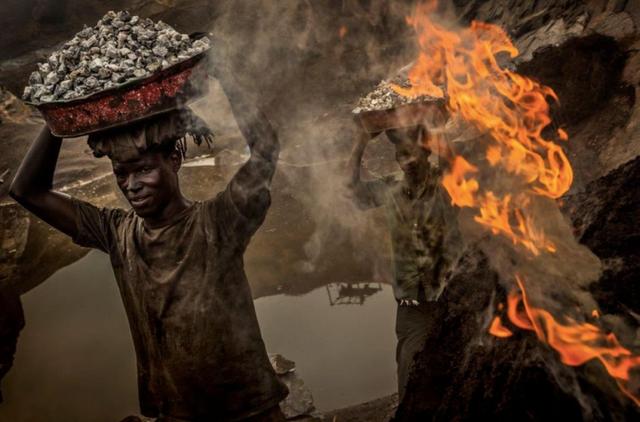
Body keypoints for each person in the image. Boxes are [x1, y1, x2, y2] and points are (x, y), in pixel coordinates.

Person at [9, 61, 288, 421]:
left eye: (143, 169)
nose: (131, 185)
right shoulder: (118, 233)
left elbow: (264, 150)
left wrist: (227, 73)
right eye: (121, 173)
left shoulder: (218, 222)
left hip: (249, 411)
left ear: (174, 159)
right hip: (175, 413)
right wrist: (57, 114)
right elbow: (26, 190)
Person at [347, 124, 460, 406]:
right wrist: (360, 142)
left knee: (458, 368)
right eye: (401, 156)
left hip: (451, 294)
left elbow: (453, 162)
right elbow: (351, 191)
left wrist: (436, 125)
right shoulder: (389, 189)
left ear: (425, 155)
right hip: (412, 301)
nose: (407, 162)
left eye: (412, 155)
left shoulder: (443, 181)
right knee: (410, 369)